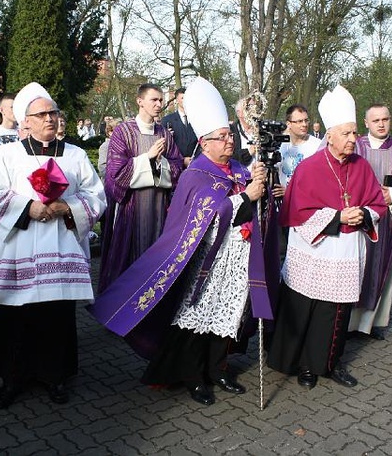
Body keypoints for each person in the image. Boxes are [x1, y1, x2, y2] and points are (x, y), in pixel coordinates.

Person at [90, 77, 273, 406]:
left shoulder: (238, 169)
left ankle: (217, 368)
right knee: (197, 317)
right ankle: (193, 376)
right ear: (205, 143)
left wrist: (258, 185)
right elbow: (206, 213)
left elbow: (257, 203)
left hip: (234, 260)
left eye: (230, 135)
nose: (229, 140)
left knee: (228, 314)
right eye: (221, 137)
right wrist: (246, 195)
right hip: (205, 261)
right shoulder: (196, 174)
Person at [0, 82, 105, 409]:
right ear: (27, 120)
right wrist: (28, 208)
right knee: (17, 319)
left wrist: (68, 207)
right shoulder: (7, 155)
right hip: (19, 251)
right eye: (42, 114)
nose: (50, 119)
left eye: (53, 113)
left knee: (56, 317)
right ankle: (13, 379)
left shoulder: (76, 155)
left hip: (60, 250)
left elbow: (96, 194)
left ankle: (55, 377)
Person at [267, 85, 386, 389]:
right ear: (329, 135)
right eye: (346, 133)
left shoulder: (362, 166)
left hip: (347, 250)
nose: (352, 139)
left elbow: (376, 203)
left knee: (337, 312)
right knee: (311, 308)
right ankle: (305, 365)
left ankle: (329, 363)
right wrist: (338, 216)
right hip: (316, 250)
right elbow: (297, 212)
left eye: (354, 133)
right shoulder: (310, 168)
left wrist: (365, 215)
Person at [98, 83, 183, 293]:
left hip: (158, 206)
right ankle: (122, 309)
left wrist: (160, 164)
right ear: (140, 102)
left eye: (161, 100)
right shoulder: (123, 131)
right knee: (130, 257)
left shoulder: (164, 132)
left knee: (156, 256)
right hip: (132, 208)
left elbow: (177, 165)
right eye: (154, 100)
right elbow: (116, 173)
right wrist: (148, 158)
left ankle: (152, 309)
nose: (159, 104)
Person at [348, 104, 392, 340]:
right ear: (366, 123)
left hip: (388, 223)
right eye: (376, 120)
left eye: (385, 119)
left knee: (381, 269)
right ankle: (347, 324)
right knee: (355, 269)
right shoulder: (354, 146)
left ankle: (370, 324)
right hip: (357, 222)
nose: (381, 124)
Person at [273, 104, 321, 198]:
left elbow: (319, 182)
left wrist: (291, 192)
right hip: (281, 203)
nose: (304, 124)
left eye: (306, 120)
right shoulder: (280, 145)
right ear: (289, 124)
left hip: (305, 202)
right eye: (299, 121)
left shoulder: (317, 146)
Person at [161, 87, 197, 167]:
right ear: (177, 100)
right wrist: (181, 160)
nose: (186, 100)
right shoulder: (167, 120)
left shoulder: (196, 120)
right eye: (182, 98)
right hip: (176, 165)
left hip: (195, 164)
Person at [229, 97, 257, 168]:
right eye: (248, 107)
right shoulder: (230, 132)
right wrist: (249, 152)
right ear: (239, 113)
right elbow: (226, 159)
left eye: (254, 107)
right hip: (238, 177)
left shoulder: (263, 131)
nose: (253, 110)